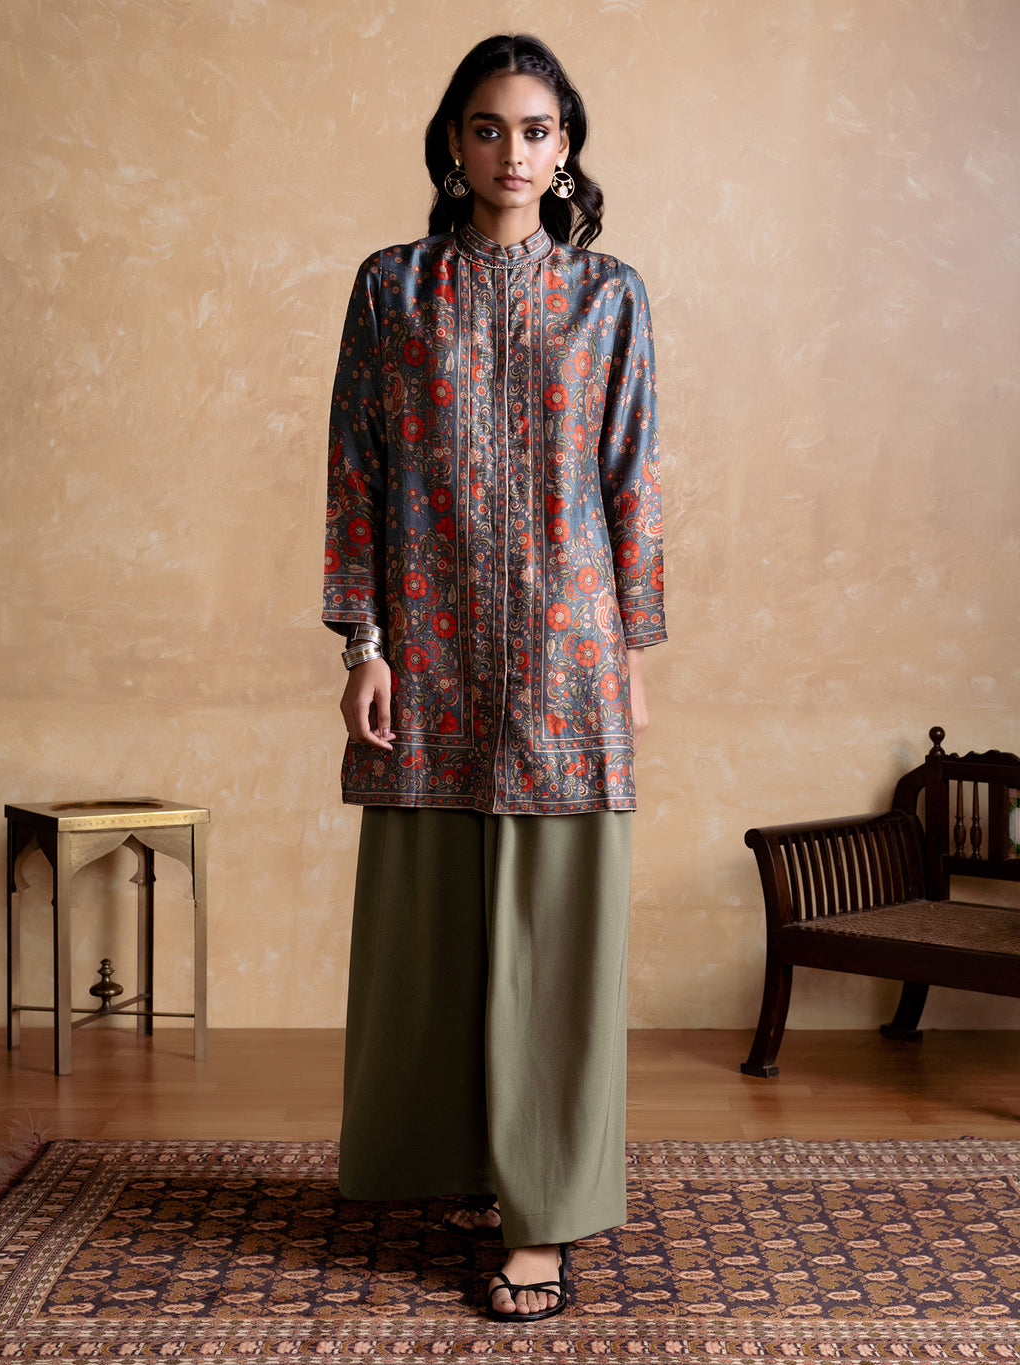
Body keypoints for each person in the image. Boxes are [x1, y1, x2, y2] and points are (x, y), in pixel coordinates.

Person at [323, 33, 666, 1324]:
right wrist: (363, 643)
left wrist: (629, 655)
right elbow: (356, 473)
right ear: (452, 143)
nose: (511, 152)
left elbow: (632, 481)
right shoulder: (391, 289)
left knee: (559, 945)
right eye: (486, 127)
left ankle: (546, 1216)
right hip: (428, 652)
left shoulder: (610, 297)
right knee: (429, 932)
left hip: (569, 661)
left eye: (535, 129)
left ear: (564, 148)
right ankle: (450, 1162)